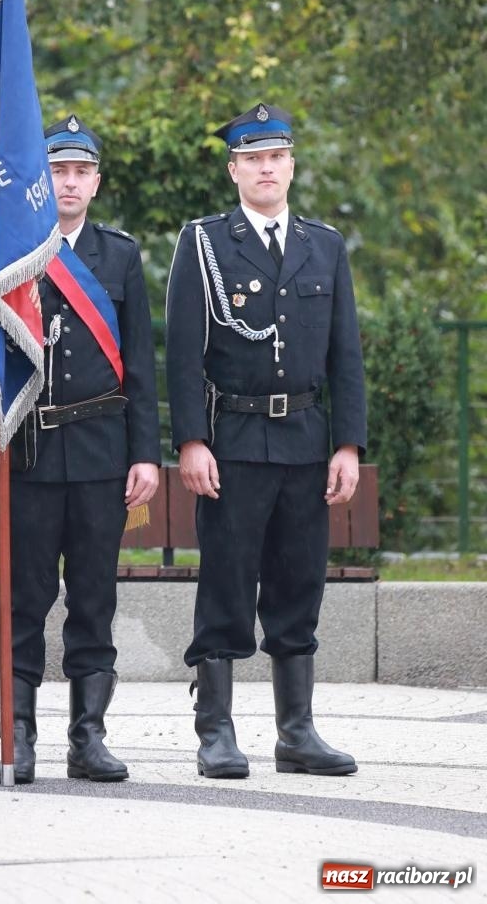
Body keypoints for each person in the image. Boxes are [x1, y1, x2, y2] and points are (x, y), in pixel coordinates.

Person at [166, 103, 366, 779]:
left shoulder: (325, 245)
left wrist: (349, 444)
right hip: (236, 443)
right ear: (235, 171)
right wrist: (192, 439)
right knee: (225, 583)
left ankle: (297, 731)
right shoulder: (203, 244)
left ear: (291, 165)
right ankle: (215, 730)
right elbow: (182, 356)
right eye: (252, 159)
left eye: (275, 157)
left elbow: (346, 356)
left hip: (308, 444)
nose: (266, 169)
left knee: (298, 583)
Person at [0, 114, 161, 784]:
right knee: (26, 598)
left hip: (99, 454)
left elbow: (142, 366)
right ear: (43, 178)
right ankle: (22, 733)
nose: (68, 182)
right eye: (58, 170)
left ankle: (87, 737)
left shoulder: (118, 256)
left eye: (79, 171)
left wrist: (145, 453)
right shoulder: (11, 248)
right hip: (30, 453)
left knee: (94, 598)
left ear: (95, 181)